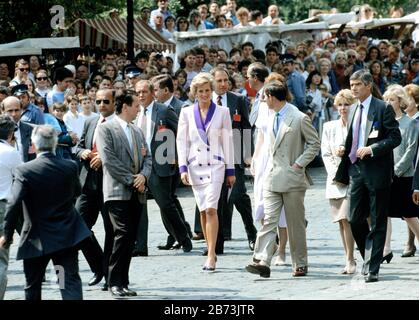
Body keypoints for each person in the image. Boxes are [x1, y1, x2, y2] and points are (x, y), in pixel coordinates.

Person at [0, 125, 91, 300]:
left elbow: (14, 203)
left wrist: (8, 234)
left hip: (36, 239)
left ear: (33, 143)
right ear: (55, 143)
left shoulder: (25, 170)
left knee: (33, 285)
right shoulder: (70, 166)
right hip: (63, 239)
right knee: (66, 282)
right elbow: (76, 192)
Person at [245, 81, 320, 278]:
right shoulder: (268, 116)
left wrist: (298, 164)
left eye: (264, 96)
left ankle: (300, 263)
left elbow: (314, 144)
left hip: (292, 178)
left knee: (295, 224)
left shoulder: (298, 117)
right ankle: (262, 260)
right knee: (269, 219)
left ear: (271, 97)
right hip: (271, 175)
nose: (262, 100)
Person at [334, 70, 401, 283]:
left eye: (357, 84)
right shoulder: (354, 108)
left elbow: (394, 137)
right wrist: (345, 148)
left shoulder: (383, 108)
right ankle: (370, 257)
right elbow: (353, 136)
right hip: (356, 171)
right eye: (351, 84)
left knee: (378, 219)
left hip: (378, 172)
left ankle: (373, 268)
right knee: (354, 219)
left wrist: (373, 149)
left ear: (368, 85)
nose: (353, 88)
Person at [96, 90, 152, 297]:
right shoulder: (106, 129)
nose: (139, 109)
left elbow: (148, 158)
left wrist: (143, 177)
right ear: (125, 106)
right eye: (136, 105)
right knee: (123, 233)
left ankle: (123, 281)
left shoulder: (137, 131)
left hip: (137, 192)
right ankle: (113, 280)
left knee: (130, 238)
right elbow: (109, 161)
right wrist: (132, 180)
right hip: (117, 192)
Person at [177, 73, 235, 271]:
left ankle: (211, 254)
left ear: (212, 91)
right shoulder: (186, 112)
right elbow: (181, 142)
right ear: (195, 92)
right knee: (203, 210)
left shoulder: (223, 112)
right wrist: (182, 167)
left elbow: (228, 141)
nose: (204, 94)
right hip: (195, 166)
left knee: (211, 208)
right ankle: (209, 247)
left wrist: (230, 169)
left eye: (207, 90)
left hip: (216, 165)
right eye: (200, 91)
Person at [134, 80, 192, 254]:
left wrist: (178, 159)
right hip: (139, 166)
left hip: (160, 164)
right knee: (139, 207)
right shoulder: (135, 112)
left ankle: (183, 237)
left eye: (144, 92)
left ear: (153, 93)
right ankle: (141, 246)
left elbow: (180, 134)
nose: (141, 95)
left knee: (165, 203)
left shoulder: (164, 110)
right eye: (138, 92)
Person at [210, 67, 257, 249]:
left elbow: (246, 127)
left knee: (237, 195)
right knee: (217, 199)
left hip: (235, 156)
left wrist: (248, 155)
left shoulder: (237, 100)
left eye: (225, 80)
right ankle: (218, 241)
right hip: (213, 158)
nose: (223, 84)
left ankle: (251, 234)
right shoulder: (206, 101)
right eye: (219, 80)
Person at [75, 89, 116, 290]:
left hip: (110, 185)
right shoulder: (91, 122)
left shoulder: (120, 124)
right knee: (78, 225)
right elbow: (79, 145)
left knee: (111, 232)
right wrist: (82, 151)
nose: (101, 105)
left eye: (106, 101)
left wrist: (104, 158)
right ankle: (99, 266)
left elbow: (124, 153)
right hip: (88, 185)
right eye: (98, 101)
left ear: (114, 102)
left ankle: (110, 274)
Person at [382, 85, 419, 263]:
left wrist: (396, 170)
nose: (388, 103)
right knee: (385, 213)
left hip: (404, 176)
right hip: (385, 174)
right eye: (387, 99)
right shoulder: (384, 122)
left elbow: (411, 150)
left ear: (400, 102)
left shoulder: (410, 122)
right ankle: (385, 249)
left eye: (392, 100)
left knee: (409, 214)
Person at [321, 89, 356, 274]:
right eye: (340, 104)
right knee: (341, 221)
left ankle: (353, 257)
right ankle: (348, 257)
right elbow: (325, 152)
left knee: (348, 218)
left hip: (354, 178)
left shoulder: (358, 126)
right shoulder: (329, 127)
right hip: (335, 179)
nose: (343, 108)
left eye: (347, 104)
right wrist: (336, 174)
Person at [0, 115, 22, 300]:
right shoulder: (10, 152)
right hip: (3, 207)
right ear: (10, 134)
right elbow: (23, 177)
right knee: (0, 259)